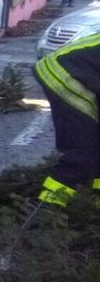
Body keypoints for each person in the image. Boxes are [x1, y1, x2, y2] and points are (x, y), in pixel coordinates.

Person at [33, 31, 100, 209]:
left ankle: (93, 210)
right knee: (81, 155)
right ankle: (43, 217)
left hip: (79, 72)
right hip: (65, 74)